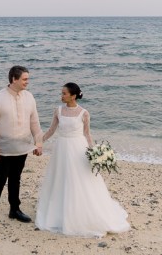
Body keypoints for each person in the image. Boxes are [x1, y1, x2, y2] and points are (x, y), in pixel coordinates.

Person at [35, 83, 130, 237]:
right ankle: (60, 211)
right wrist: (39, 142)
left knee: (80, 180)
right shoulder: (58, 110)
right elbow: (51, 130)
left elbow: (87, 134)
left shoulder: (84, 113)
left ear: (73, 96)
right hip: (61, 148)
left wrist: (95, 152)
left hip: (78, 148)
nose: (62, 96)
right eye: (62, 93)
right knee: (61, 178)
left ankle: (81, 211)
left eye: (64, 93)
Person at [0, 65, 43, 233]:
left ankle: (14, 210)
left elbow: (34, 122)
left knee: (16, 179)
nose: (27, 82)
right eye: (24, 79)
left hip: (22, 147)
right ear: (14, 79)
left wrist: (38, 143)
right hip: (3, 148)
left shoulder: (29, 97)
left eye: (27, 79)